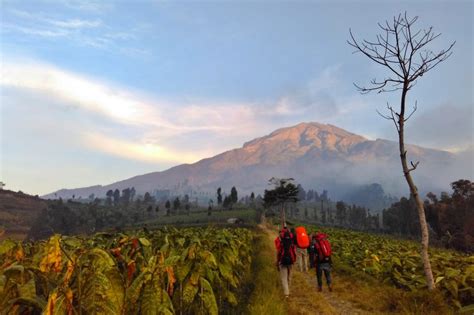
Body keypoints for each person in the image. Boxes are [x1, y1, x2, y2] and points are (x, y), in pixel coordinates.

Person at [274, 226, 297, 298]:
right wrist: (294, 260)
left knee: (284, 278)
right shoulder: (291, 241)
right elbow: (294, 251)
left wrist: (277, 261)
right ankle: (288, 289)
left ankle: (286, 293)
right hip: (291, 261)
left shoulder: (280, 242)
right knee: (289, 277)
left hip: (282, 261)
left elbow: (278, 252)